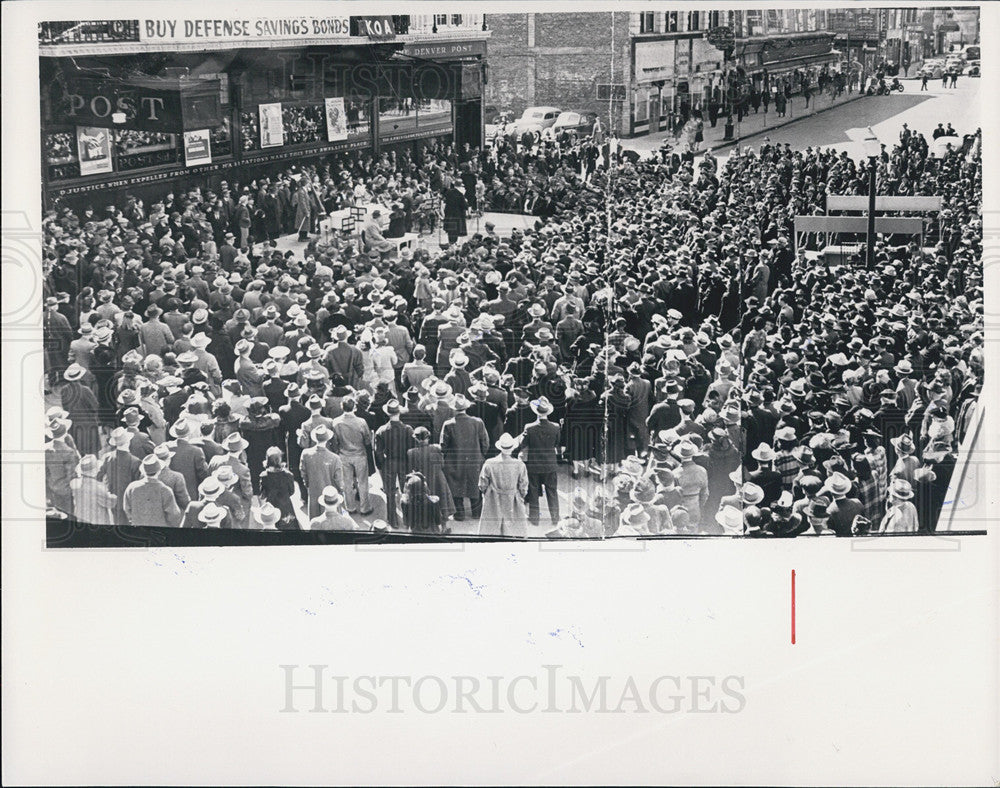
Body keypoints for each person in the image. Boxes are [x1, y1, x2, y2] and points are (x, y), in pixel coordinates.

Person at [441, 394, 490, 521]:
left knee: (456, 486)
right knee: (475, 485)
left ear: (454, 409)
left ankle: (460, 514)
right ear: (466, 407)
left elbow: (443, 445)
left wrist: (446, 458)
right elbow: (485, 442)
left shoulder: (448, 424)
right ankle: (476, 513)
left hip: (455, 460)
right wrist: (480, 455)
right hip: (474, 459)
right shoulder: (478, 422)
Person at [519, 396, 561, 528]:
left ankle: (534, 518)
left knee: (533, 491)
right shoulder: (556, 427)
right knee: (552, 491)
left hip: (534, 464)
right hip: (550, 464)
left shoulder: (529, 427)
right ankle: (555, 518)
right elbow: (556, 443)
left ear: (536, 412)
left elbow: (522, 444)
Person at [478, 433, 530, 537]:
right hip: (512, 497)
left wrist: (487, 494)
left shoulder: (489, 463)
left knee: (491, 529)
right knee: (514, 530)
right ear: (512, 448)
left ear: (500, 448)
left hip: (493, 497)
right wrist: (520, 496)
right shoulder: (519, 465)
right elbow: (523, 486)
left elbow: (482, 484)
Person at [331, 396, 374, 514]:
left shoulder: (336, 422)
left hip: (344, 455)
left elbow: (334, 441)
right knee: (363, 482)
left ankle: (350, 507)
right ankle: (365, 508)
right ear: (354, 406)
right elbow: (367, 440)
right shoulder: (361, 422)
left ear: (342, 407)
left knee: (347, 483)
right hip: (359, 454)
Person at [123, 455, 182, 527]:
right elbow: (174, 515)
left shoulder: (132, 487)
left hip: (138, 530)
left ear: (143, 472)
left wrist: (134, 520)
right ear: (159, 471)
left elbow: (127, 508)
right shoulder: (165, 490)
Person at [299, 424, 344, 520]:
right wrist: (340, 491)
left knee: (315, 521)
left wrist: (308, 484)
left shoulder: (305, 454)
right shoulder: (335, 458)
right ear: (327, 439)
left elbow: (303, 473)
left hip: (313, 491)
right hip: (331, 495)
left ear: (315, 438)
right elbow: (339, 480)